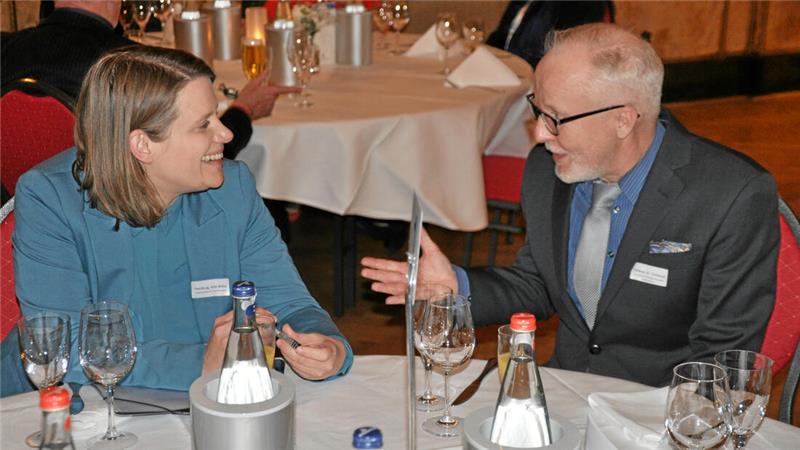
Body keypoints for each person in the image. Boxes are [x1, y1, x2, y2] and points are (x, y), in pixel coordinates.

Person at [362, 23, 779, 387]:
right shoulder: (548, 171)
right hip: (565, 392)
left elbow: (723, 361)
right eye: (537, 111)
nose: (541, 134)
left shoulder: (730, 195)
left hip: (661, 411)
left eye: (556, 118)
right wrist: (459, 288)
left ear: (623, 119)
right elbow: (541, 284)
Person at [10, 45, 351, 395]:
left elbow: (288, 303)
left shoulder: (232, 188)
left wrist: (329, 346)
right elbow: (62, 347)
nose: (226, 134)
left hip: (202, 409)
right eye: (204, 124)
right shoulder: (51, 199)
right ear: (143, 146)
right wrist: (202, 363)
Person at [1, 0, 297, 159]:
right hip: (117, 220)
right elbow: (199, 154)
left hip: (21, 215)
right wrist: (244, 110)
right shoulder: (138, 67)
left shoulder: (6, 48)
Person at [486, 0, 613, 68]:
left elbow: (570, 56)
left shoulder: (584, 3)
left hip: (537, 89)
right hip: (506, 76)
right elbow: (501, 35)